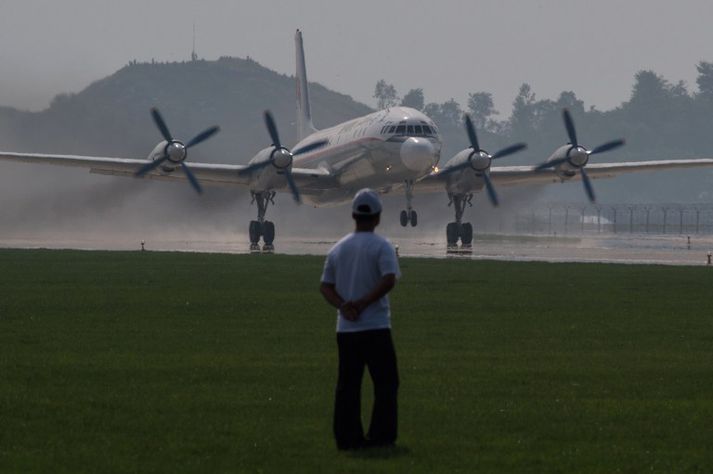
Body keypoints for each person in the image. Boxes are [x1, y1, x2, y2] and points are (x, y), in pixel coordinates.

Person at [319, 188, 401, 450]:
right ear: (377, 218)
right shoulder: (383, 246)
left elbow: (325, 287)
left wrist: (344, 306)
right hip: (376, 326)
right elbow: (389, 279)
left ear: (353, 214)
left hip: (346, 329)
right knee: (386, 384)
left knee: (347, 386)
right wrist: (365, 303)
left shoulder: (337, 249)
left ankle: (347, 438)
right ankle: (381, 437)